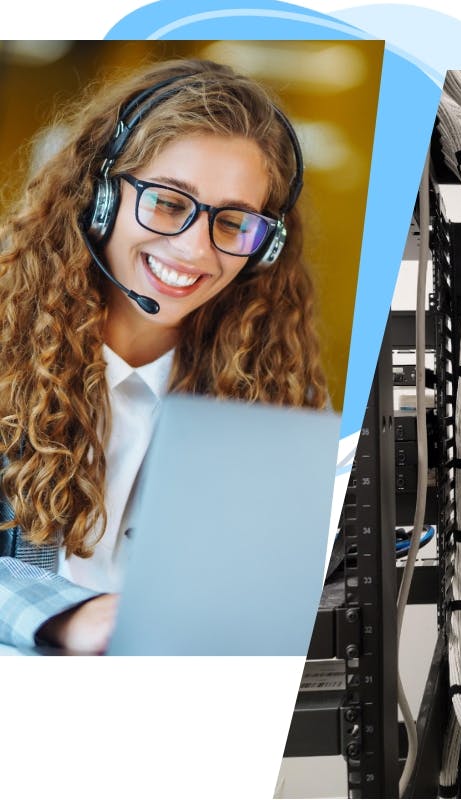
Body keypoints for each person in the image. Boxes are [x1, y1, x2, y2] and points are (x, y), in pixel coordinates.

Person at [0, 59, 328, 654]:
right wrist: (71, 618)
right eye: (169, 203)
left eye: (233, 222)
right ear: (100, 197)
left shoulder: (277, 393)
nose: (193, 248)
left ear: (265, 247)